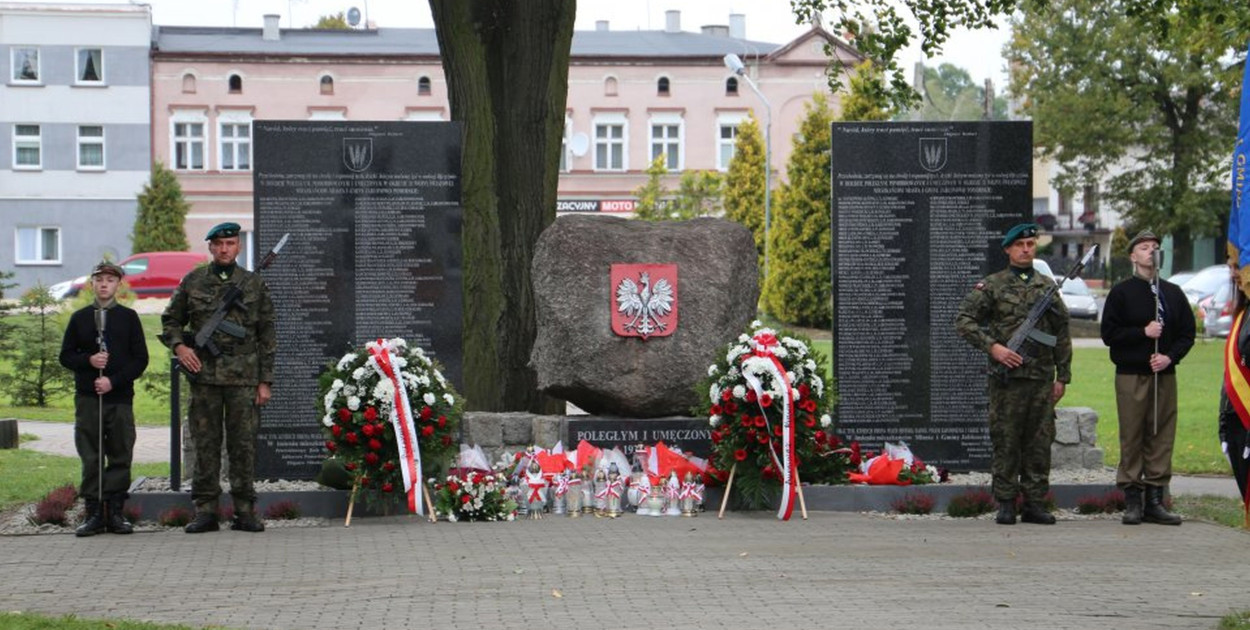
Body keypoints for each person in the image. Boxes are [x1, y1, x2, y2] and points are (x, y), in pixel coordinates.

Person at [161, 222, 276, 533]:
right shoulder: (193, 281)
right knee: (205, 444)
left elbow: (266, 334)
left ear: (238, 247)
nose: (224, 249)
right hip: (205, 379)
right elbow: (170, 320)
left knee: (243, 446)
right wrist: (181, 347)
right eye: (219, 244)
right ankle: (206, 511)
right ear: (210, 248)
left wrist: (264, 381)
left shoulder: (253, 285)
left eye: (230, 243)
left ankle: (244, 510)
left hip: (243, 380)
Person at [956, 223, 1072, 525]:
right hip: (1006, 382)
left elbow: (1061, 333)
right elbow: (964, 320)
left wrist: (1063, 377)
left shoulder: (1048, 287)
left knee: (1039, 442)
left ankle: (1035, 503)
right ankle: (1006, 502)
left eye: (1031, 244)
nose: (1026, 250)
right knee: (1006, 441)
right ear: (1008, 249)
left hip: (1041, 379)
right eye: (1020, 245)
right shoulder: (992, 286)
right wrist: (993, 348)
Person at [1101, 230, 1194, 525]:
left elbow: (1186, 334)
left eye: (1155, 247)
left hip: (1163, 375)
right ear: (1133, 256)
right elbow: (1109, 335)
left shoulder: (1173, 293)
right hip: (1132, 375)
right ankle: (1132, 499)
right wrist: (1143, 332)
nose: (1151, 252)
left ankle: (1155, 498)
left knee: (1161, 434)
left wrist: (1169, 357)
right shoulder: (1121, 292)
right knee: (1133, 435)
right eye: (1144, 248)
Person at [59, 261, 149, 537]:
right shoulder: (80, 318)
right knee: (91, 453)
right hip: (89, 399)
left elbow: (140, 359)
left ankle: (117, 511)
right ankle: (94, 512)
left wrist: (114, 380)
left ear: (118, 285)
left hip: (119, 398)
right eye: (99, 280)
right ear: (92, 284)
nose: (104, 284)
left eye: (110, 280)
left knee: (120, 452)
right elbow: (66, 356)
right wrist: (89, 360)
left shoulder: (129, 318)